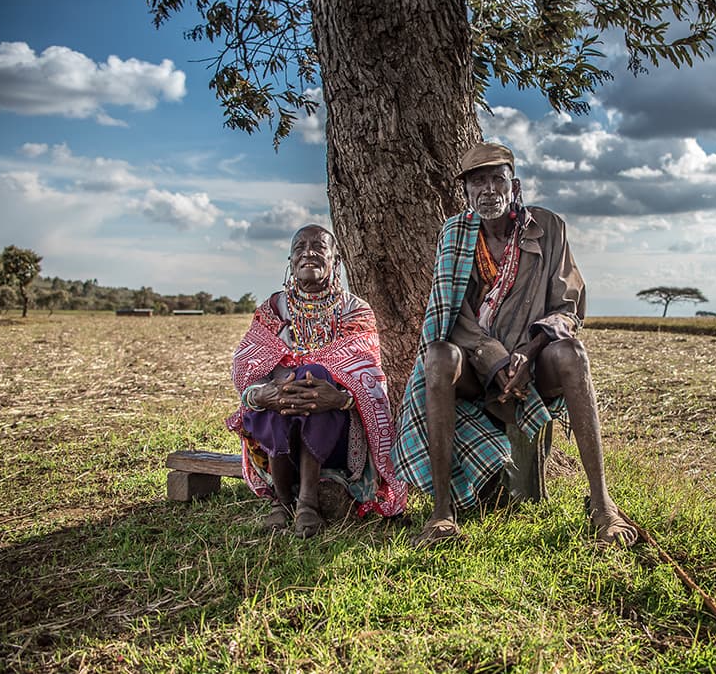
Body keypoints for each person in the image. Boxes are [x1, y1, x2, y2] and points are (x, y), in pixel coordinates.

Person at [393, 141, 638, 547]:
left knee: (572, 353)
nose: (488, 189)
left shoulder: (548, 226)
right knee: (437, 356)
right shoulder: (454, 235)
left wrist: (529, 351)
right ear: (466, 193)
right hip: (478, 364)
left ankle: (602, 503)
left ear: (515, 186)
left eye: (496, 179)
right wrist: (495, 358)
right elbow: (448, 316)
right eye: (477, 182)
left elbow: (568, 307)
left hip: (534, 359)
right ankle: (441, 514)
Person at [225, 225, 407, 536]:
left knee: (317, 377)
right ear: (290, 259)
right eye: (300, 247)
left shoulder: (355, 311)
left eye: (318, 246)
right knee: (285, 386)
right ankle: (282, 501)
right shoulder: (272, 310)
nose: (308, 252)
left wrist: (338, 397)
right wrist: (264, 394)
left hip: (335, 434)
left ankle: (306, 501)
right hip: (275, 434)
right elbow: (246, 367)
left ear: (335, 260)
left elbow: (369, 378)